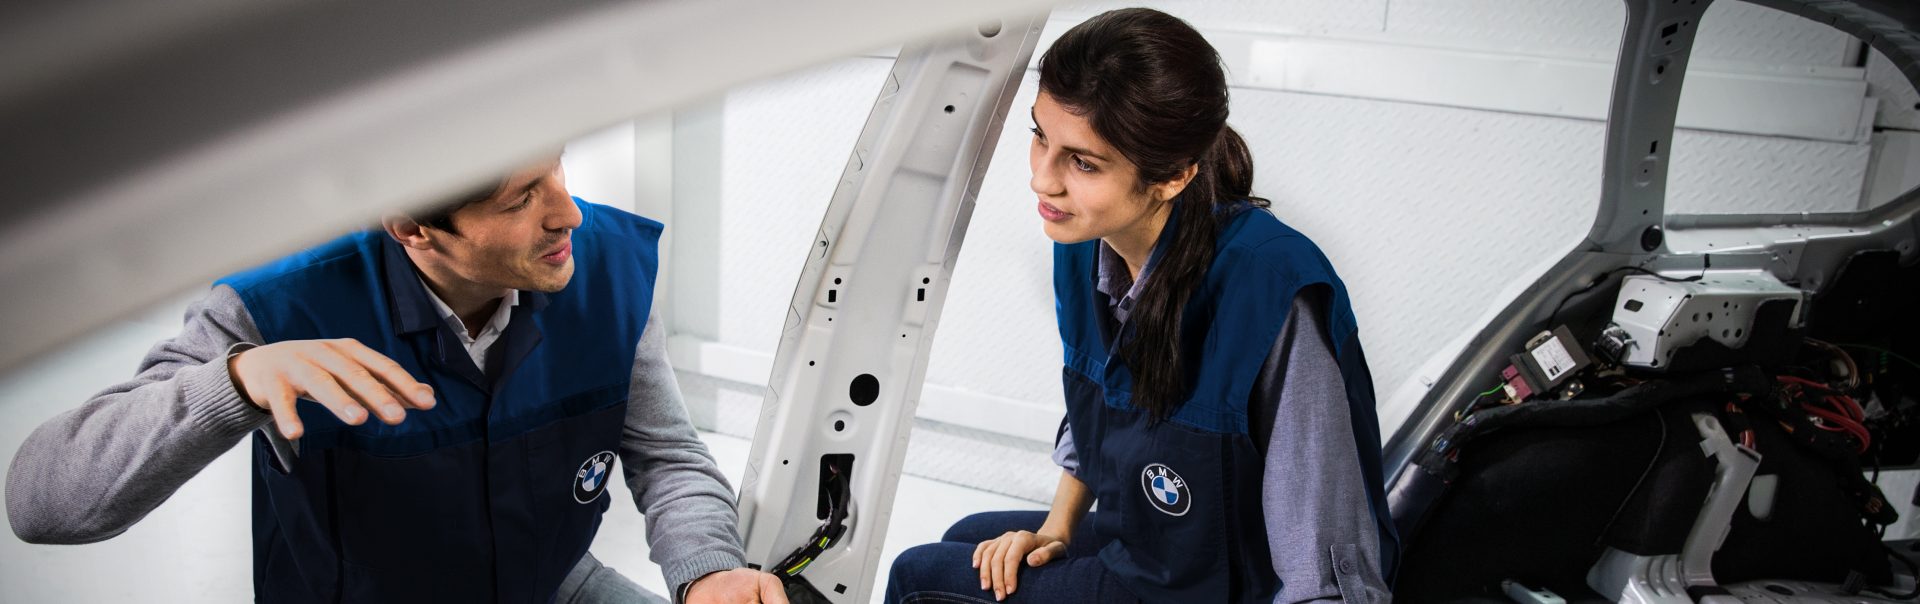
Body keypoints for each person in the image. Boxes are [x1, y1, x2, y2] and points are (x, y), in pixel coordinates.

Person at [6, 156, 788, 604]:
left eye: (558, 169)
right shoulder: (279, 303)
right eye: (522, 199)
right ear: (412, 228)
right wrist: (235, 381)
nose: (568, 215)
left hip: (550, 584)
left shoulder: (599, 266)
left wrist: (708, 571)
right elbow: (41, 503)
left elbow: (668, 457)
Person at [884, 9, 1399, 604]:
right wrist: (1057, 529)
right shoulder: (1086, 241)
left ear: (1174, 176)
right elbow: (1098, 406)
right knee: (968, 540)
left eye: (1082, 162)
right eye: (1039, 136)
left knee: (920, 578)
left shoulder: (1272, 291)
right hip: (1164, 540)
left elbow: (1324, 574)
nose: (1042, 182)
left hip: (1223, 582)